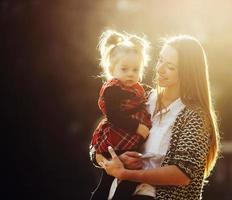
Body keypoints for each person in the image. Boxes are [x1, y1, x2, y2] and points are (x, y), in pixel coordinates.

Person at [94, 34, 220, 200]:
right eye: (160, 60)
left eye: (170, 66)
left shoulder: (195, 116)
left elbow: (181, 174)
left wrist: (127, 174)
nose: (159, 69)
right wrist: (113, 158)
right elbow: (101, 140)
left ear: (187, 73)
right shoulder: (140, 97)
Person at [89, 30, 152, 200]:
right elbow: (114, 117)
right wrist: (138, 127)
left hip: (125, 143)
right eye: (124, 69)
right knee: (119, 181)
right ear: (112, 69)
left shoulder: (138, 89)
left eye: (135, 69)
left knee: (120, 181)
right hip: (115, 141)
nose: (131, 74)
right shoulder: (113, 90)